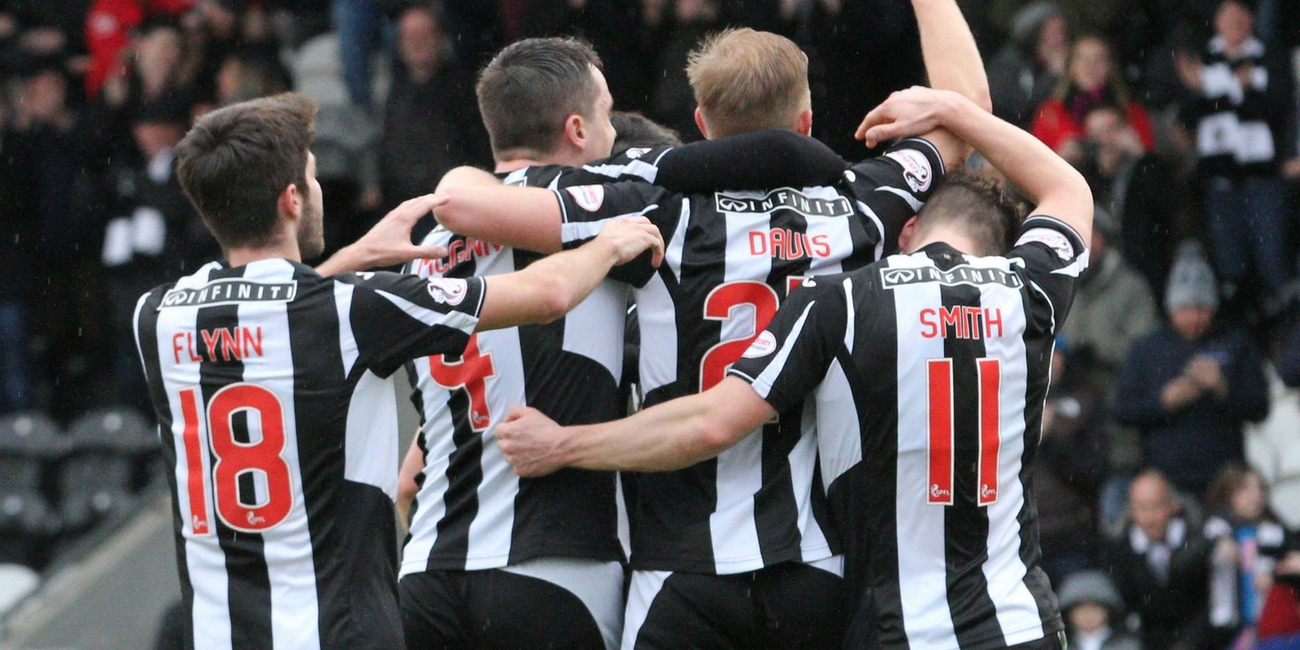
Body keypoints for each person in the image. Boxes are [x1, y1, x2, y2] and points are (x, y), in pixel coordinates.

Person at [432, 5, 992, 646]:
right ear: (807, 121)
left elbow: (473, 205)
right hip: (815, 557)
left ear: (699, 124)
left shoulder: (651, 202)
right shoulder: (861, 205)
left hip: (680, 563)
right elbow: (969, 106)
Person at [494, 82, 1093, 650]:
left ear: (907, 229)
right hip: (1017, 619)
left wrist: (565, 445)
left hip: (894, 626)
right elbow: (1070, 190)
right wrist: (962, 114)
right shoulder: (1027, 293)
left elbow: (712, 423)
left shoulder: (845, 298)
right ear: (1006, 243)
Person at [133, 92, 665, 650]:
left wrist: (358, 254)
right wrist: (607, 243)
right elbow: (548, 294)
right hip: (341, 628)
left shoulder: (157, 317)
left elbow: (275, 316)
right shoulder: (352, 309)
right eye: (311, 180)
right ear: (291, 199)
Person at [395, 36, 853, 650]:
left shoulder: (425, 237)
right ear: (579, 129)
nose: (619, 133)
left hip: (426, 567)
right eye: (609, 114)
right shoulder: (610, 215)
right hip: (557, 558)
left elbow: (408, 477)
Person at [1113, 242, 1269, 498]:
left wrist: (1222, 388)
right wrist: (1163, 401)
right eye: (1185, 309)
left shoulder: (1235, 343)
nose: (1194, 318)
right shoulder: (1148, 348)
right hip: (1165, 479)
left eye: (1202, 309)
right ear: (1171, 308)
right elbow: (1122, 410)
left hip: (1224, 479)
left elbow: (1259, 408)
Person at [1102, 469, 1215, 650]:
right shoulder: (1119, 551)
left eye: (1156, 507)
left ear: (1173, 506)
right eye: (1141, 508)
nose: (1148, 519)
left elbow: (1209, 605)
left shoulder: (1198, 542)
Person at [1202, 463, 1297, 645]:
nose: (1256, 496)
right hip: (1222, 627)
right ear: (1228, 494)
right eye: (1245, 489)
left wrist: (1276, 576)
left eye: (1259, 488)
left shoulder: (1276, 532)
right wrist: (1213, 543)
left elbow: (1291, 564)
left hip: (1267, 625)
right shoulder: (1212, 530)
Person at [1029, 35, 1156, 162]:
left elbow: (1152, 167)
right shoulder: (1050, 113)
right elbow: (1032, 165)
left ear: (1110, 66)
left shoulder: (1131, 111)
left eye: (1099, 59)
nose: (1090, 66)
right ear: (1070, 66)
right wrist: (1060, 158)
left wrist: (1136, 151)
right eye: (1082, 58)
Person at [1056, 571, 1142, 650]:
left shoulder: (1126, 645)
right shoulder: (1057, 646)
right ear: (1068, 614)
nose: (1088, 615)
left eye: (1094, 608)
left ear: (1107, 611)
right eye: (1081, 610)